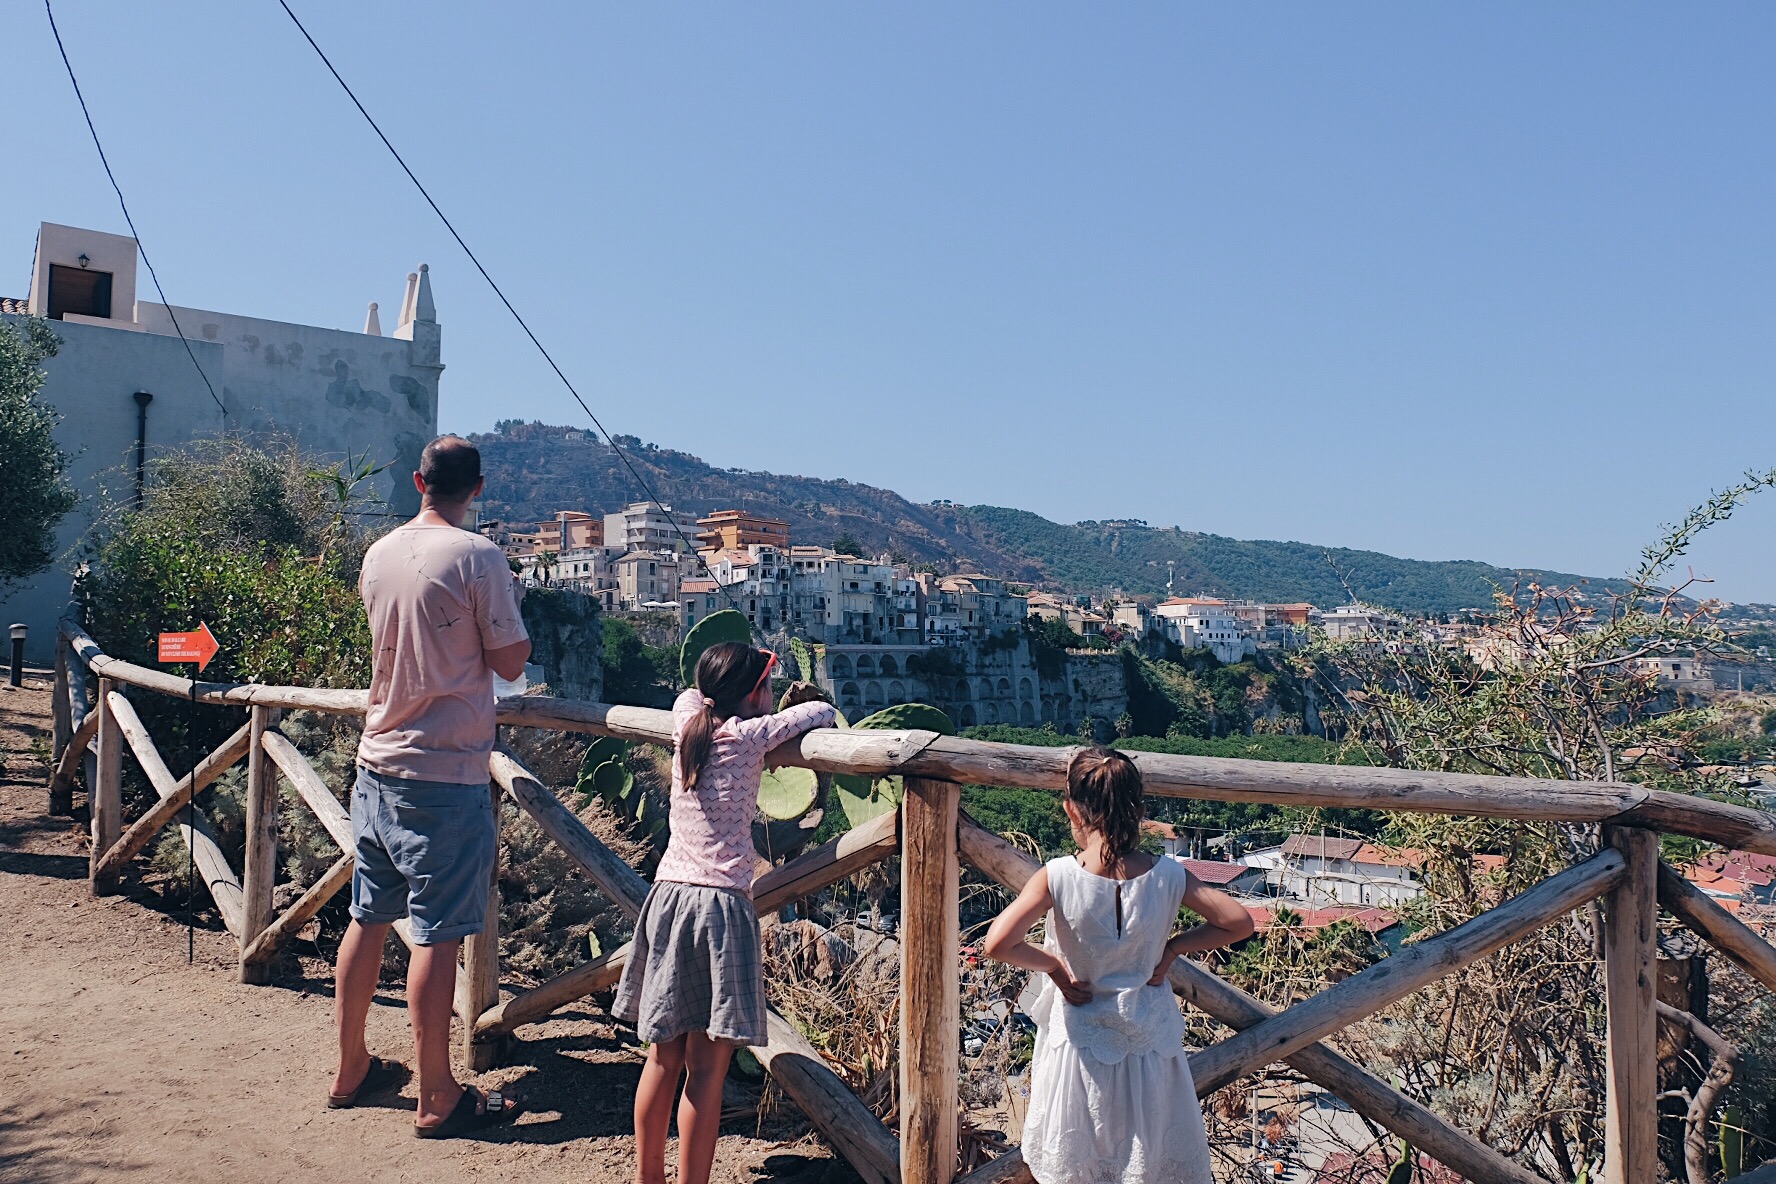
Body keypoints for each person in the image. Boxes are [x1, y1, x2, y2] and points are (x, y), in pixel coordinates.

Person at [327, 435, 532, 1139]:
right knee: (436, 938)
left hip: (377, 763)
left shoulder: (378, 554)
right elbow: (510, 662)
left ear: (418, 482)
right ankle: (438, 1094)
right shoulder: (479, 557)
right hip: (443, 772)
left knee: (367, 917)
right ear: (478, 488)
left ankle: (351, 1068)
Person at [613, 642, 836, 1184]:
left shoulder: (687, 722)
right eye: (766, 686)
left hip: (668, 899)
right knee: (707, 1071)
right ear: (754, 696)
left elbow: (690, 694)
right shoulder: (750, 737)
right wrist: (790, 703)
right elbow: (821, 712)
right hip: (721, 909)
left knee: (661, 1058)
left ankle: (648, 1178)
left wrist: (736, 685)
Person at [983, 747, 1256, 1184]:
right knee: (1146, 1154)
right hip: (1148, 1041)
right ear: (1140, 811)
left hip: (1080, 1045)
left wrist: (1055, 968)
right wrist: (1174, 949)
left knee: (1079, 1161)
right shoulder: (1169, 875)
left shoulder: (1057, 876)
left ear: (1072, 810)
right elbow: (1238, 922)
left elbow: (999, 943)